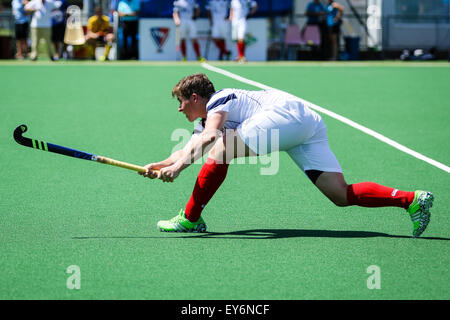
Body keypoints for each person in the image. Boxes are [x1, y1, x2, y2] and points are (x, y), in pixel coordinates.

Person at [139, 73, 434, 238]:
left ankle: (191, 218)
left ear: (194, 98)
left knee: (220, 149)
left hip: (283, 116)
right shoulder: (205, 121)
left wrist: (178, 168)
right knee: (339, 194)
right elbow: (191, 145)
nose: (179, 109)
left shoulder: (218, 100)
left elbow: (211, 138)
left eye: (180, 102)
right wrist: (162, 164)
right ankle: (411, 200)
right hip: (306, 125)